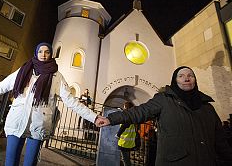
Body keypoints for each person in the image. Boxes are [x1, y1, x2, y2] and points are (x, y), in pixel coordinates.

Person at [0, 42, 105, 166]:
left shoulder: (56, 77)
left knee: (30, 163)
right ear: (36, 53)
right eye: (40, 51)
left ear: (51, 54)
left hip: (38, 125)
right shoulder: (24, 70)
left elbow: (72, 102)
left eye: (47, 52)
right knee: (11, 162)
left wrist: (94, 117)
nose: (43, 54)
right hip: (17, 122)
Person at [98, 66, 232, 166]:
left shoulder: (207, 107)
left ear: (195, 80)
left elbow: (220, 140)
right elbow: (140, 111)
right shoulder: (164, 100)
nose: (186, 77)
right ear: (175, 81)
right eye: (181, 75)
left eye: (190, 75)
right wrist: (111, 118)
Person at [116, 101, 136, 166]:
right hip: (130, 143)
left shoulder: (126, 116)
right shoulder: (133, 116)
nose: (123, 108)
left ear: (126, 107)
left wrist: (117, 134)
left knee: (125, 160)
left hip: (124, 142)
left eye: (124, 107)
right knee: (126, 159)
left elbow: (124, 126)